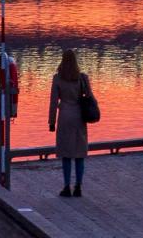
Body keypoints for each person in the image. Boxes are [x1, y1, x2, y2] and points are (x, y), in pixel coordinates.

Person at [47, 49, 92, 197]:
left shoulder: (57, 79)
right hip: (79, 116)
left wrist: (51, 122)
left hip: (65, 116)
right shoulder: (82, 78)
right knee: (79, 153)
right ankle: (78, 186)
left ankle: (66, 187)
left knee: (66, 154)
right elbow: (90, 97)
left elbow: (53, 102)